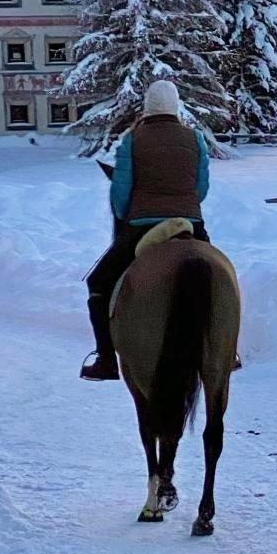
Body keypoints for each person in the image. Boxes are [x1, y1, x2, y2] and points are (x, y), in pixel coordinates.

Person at [80, 80, 211, 381]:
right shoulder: (196, 138)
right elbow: (201, 188)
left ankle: (106, 360)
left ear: (148, 107)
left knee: (99, 283)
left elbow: (120, 193)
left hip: (142, 226)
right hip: (190, 223)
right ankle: (227, 352)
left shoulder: (133, 139)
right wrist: (183, 206)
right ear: (176, 107)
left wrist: (128, 217)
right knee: (219, 276)